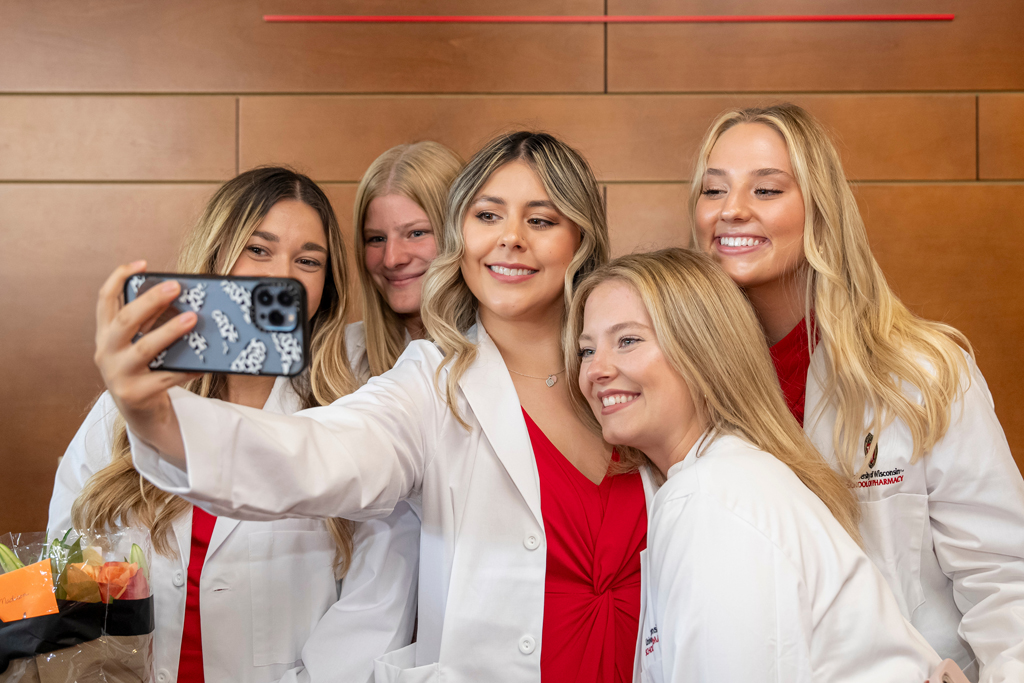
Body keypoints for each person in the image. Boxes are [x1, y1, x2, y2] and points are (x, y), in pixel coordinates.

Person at [92, 132, 648, 683]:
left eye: (541, 220)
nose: (510, 239)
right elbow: (318, 453)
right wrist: (156, 417)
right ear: (461, 237)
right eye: (488, 215)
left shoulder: (635, 365)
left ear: (581, 237)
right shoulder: (431, 385)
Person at [689, 103, 1024, 682]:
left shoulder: (922, 374)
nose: (732, 210)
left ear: (821, 211)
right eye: (713, 190)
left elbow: (1004, 575)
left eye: (766, 190)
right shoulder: (685, 382)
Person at [49, 167, 419, 683]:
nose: (280, 275)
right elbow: (68, 552)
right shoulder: (128, 408)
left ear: (326, 288)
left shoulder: (355, 419)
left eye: (308, 260)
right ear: (217, 255)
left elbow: (376, 610)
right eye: (259, 249)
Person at [567, 247, 942, 682]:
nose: (596, 370)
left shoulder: (717, 495)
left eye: (627, 341)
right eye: (586, 350)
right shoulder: (722, 478)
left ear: (703, 352)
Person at [347, 141, 463, 382]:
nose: (391, 259)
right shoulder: (341, 357)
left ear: (459, 233)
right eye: (376, 238)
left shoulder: (507, 350)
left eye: (416, 233)